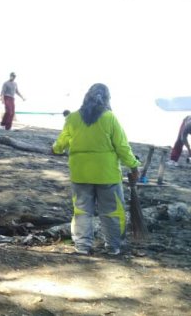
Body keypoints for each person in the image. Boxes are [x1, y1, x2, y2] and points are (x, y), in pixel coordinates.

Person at [52, 83, 141, 255]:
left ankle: (82, 246)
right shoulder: (110, 118)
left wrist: (55, 149)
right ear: (107, 99)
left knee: (82, 211)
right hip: (107, 175)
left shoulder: (73, 118)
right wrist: (133, 165)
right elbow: (122, 147)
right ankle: (113, 246)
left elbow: (60, 144)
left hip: (80, 174)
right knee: (112, 211)